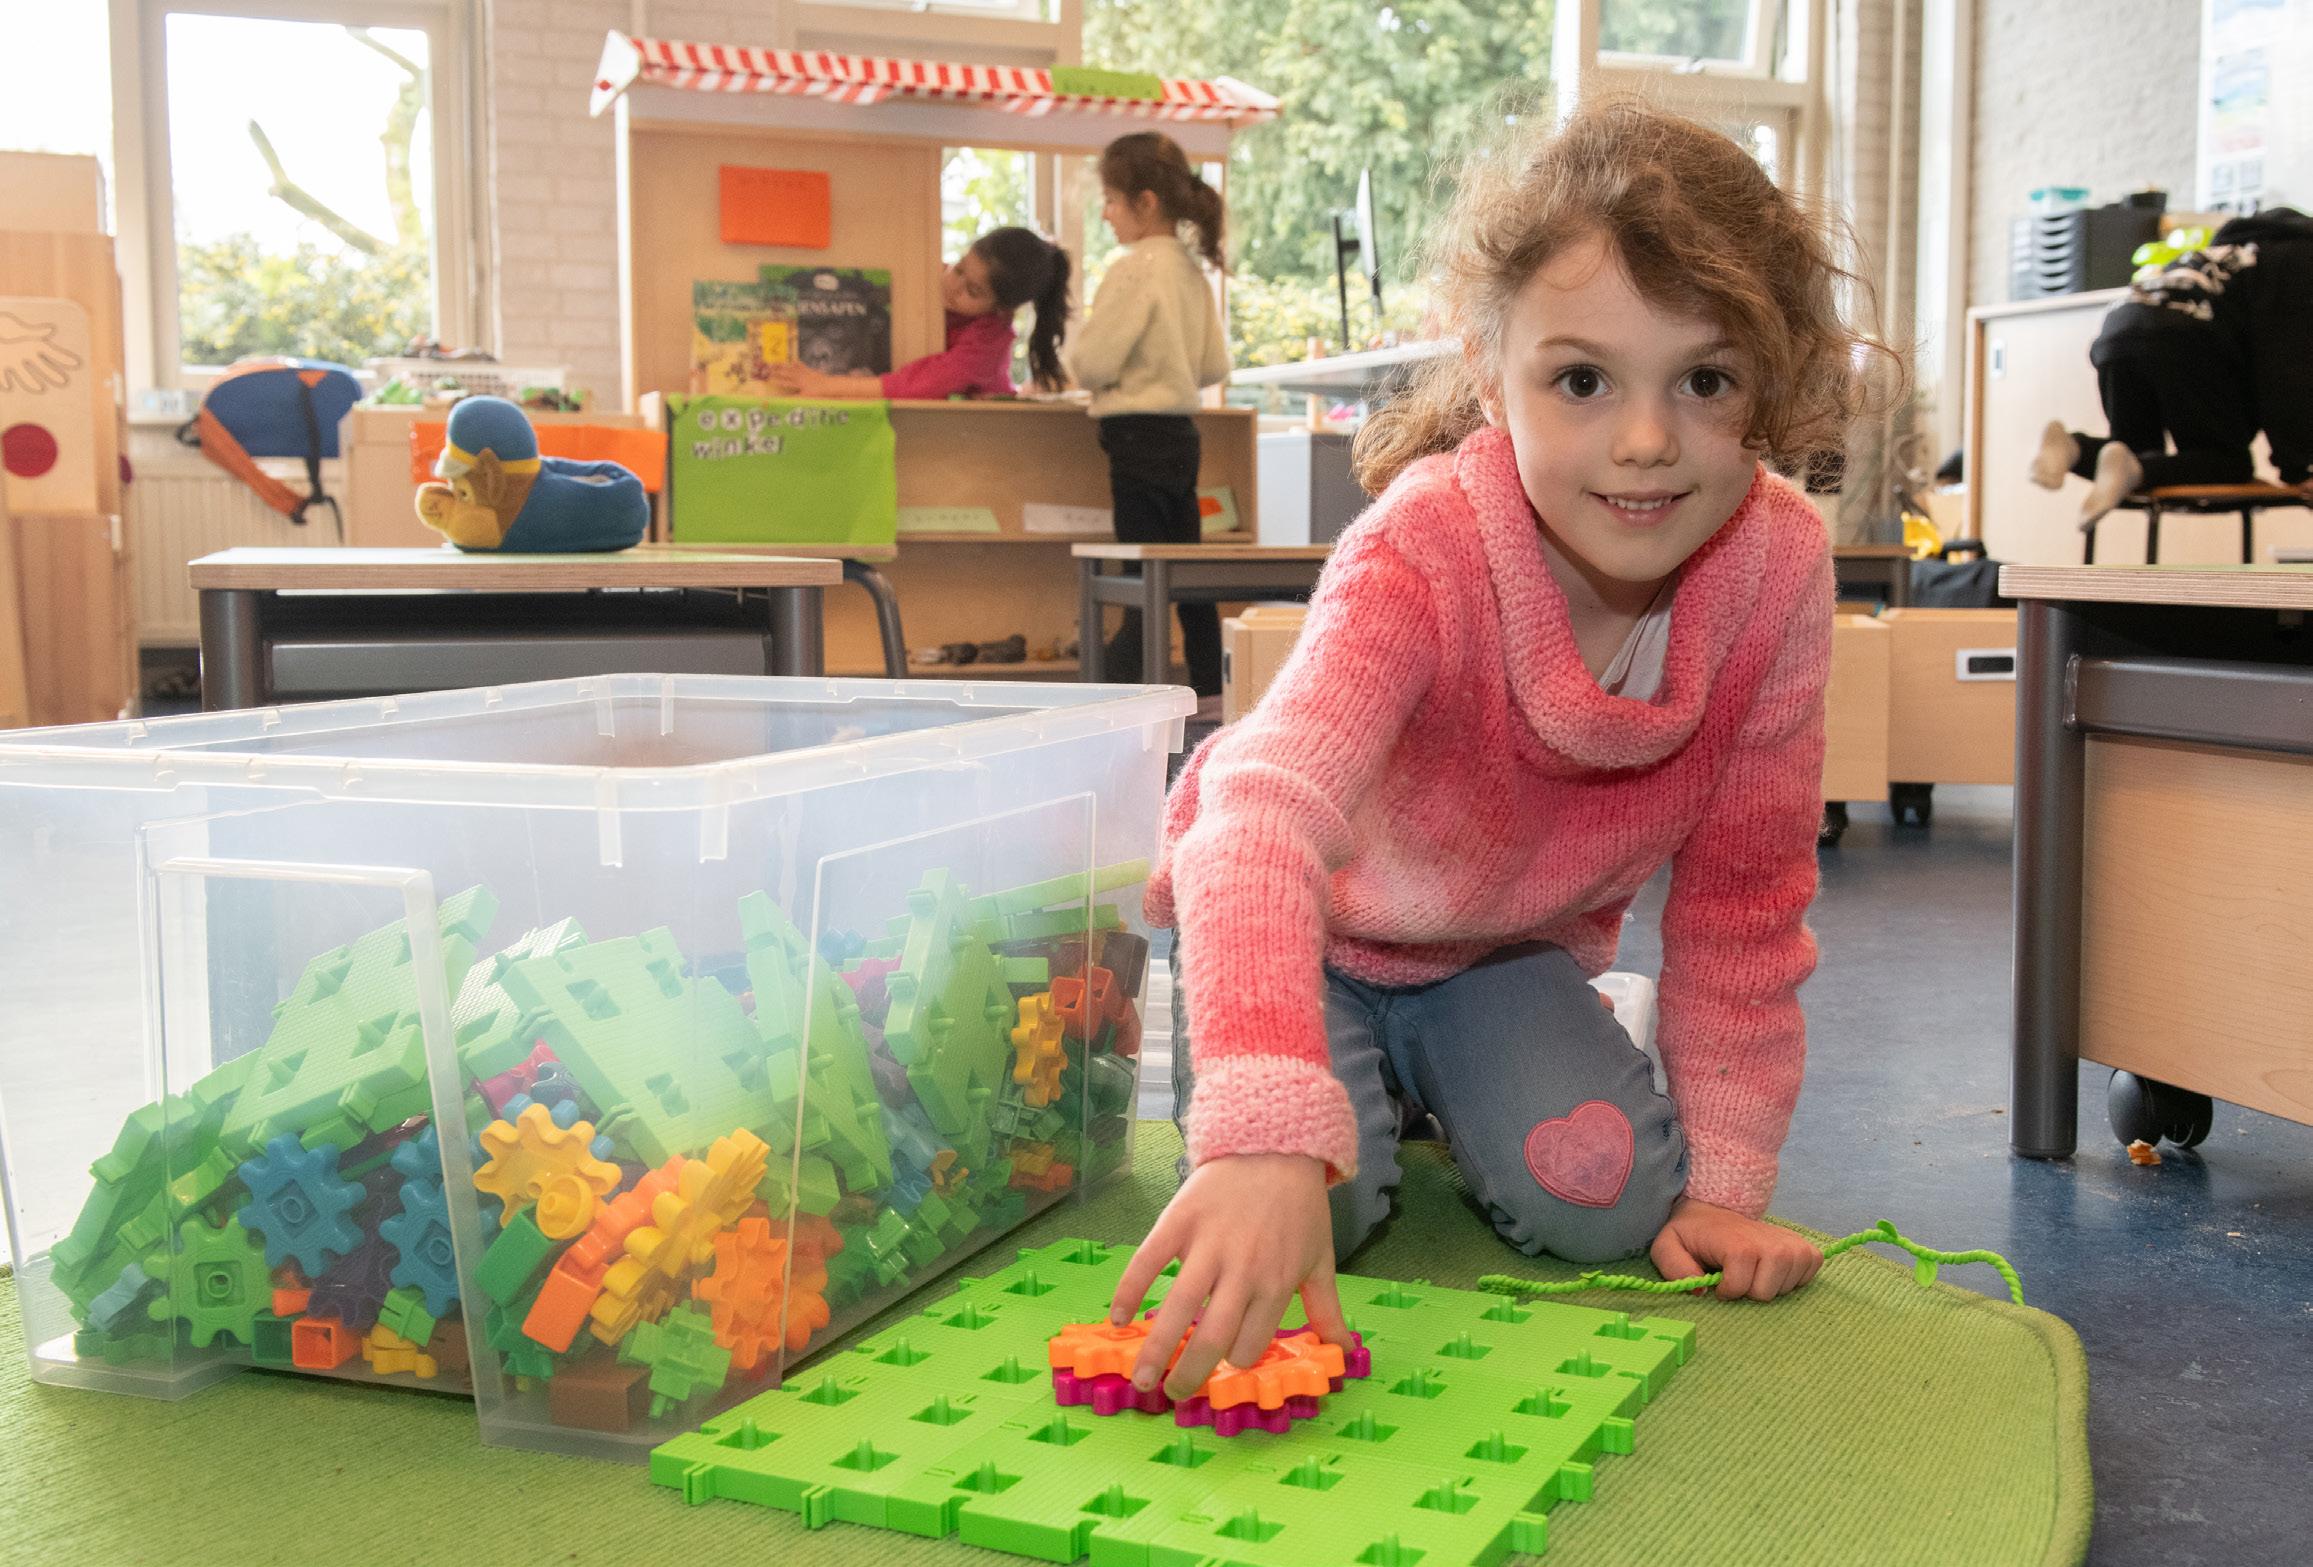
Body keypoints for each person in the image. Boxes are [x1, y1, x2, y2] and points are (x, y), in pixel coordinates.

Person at [1111, 100, 1892, 1404]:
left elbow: (1745, 906)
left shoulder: (1777, 569)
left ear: (1772, 381)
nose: (1644, 443)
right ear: (1489, 373)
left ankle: (1428, 1078)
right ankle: (1350, 1086)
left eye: (1704, 381)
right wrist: (1259, 1124)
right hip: (1305, 927)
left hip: (1495, 954)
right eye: (1582, 381)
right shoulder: (1425, 544)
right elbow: (1256, 813)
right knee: (1317, 1202)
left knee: (1610, 1205)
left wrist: (1727, 1187)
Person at [1065, 131, 1233, 697]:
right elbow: (1213, 366)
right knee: (1186, 574)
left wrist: (1107, 374)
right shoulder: (1190, 270)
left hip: (1133, 435)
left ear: (1146, 202)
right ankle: (1209, 692)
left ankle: (1114, 691)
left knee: (1138, 577)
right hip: (1182, 435)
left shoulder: (1135, 268)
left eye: (1111, 200)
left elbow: (1091, 363)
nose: (1105, 214)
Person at [2028, 207, 2313, 526]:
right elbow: (2287, 369)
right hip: (2185, 331)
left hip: (2120, 326)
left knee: (2130, 451)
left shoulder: (2230, 252)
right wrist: (2299, 469)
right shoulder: (2300, 261)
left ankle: (2074, 448)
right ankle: (2138, 468)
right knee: (2227, 463)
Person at [766, 226, 1071, 400]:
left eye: (973, 291)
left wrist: (827, 385)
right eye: (959, 269)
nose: (953, 286)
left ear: (1002, 310)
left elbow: (924, 382)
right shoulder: (928, 276)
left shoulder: (988, 340)